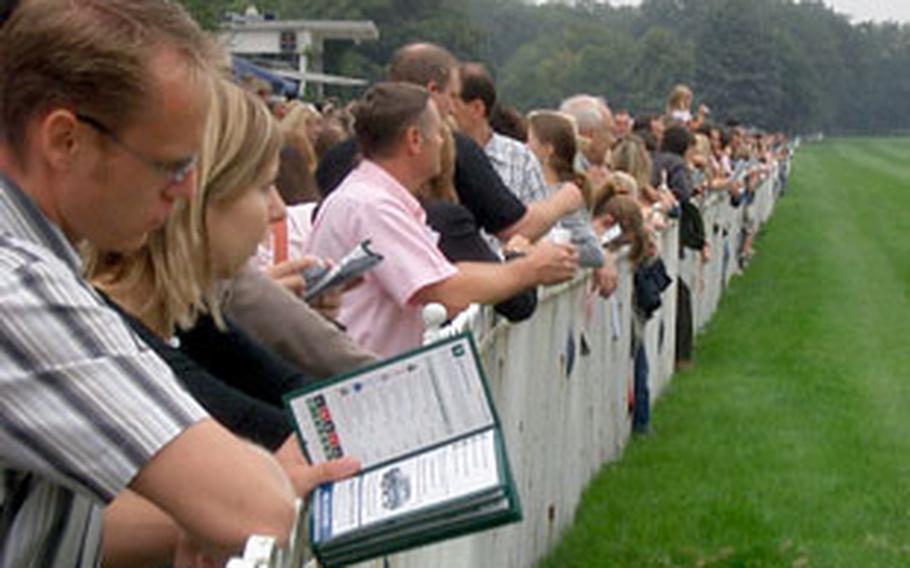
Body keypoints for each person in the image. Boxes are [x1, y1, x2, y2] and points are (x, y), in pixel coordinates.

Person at [0, 2, 343, 564]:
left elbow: (50, 515)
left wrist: (188, 519)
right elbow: (260, 511)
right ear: (65, 141)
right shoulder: (19, 289)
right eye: (172, 165)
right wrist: (235, 490)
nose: (187, 191)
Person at [309, 83, 578, 356]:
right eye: (438, 132)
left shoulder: (374, 199)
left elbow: (443, 278)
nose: (442, 141)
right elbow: (442, 287)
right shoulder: (371, 206)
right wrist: (530, 269)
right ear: (414, 139)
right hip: (364, 383)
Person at [316, 42, 584, 244]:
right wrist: (563, 200)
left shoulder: (335, 159)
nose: (452, 108)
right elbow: (516, 226)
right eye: (452, 95)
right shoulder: (458, 152)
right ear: (432, 91)